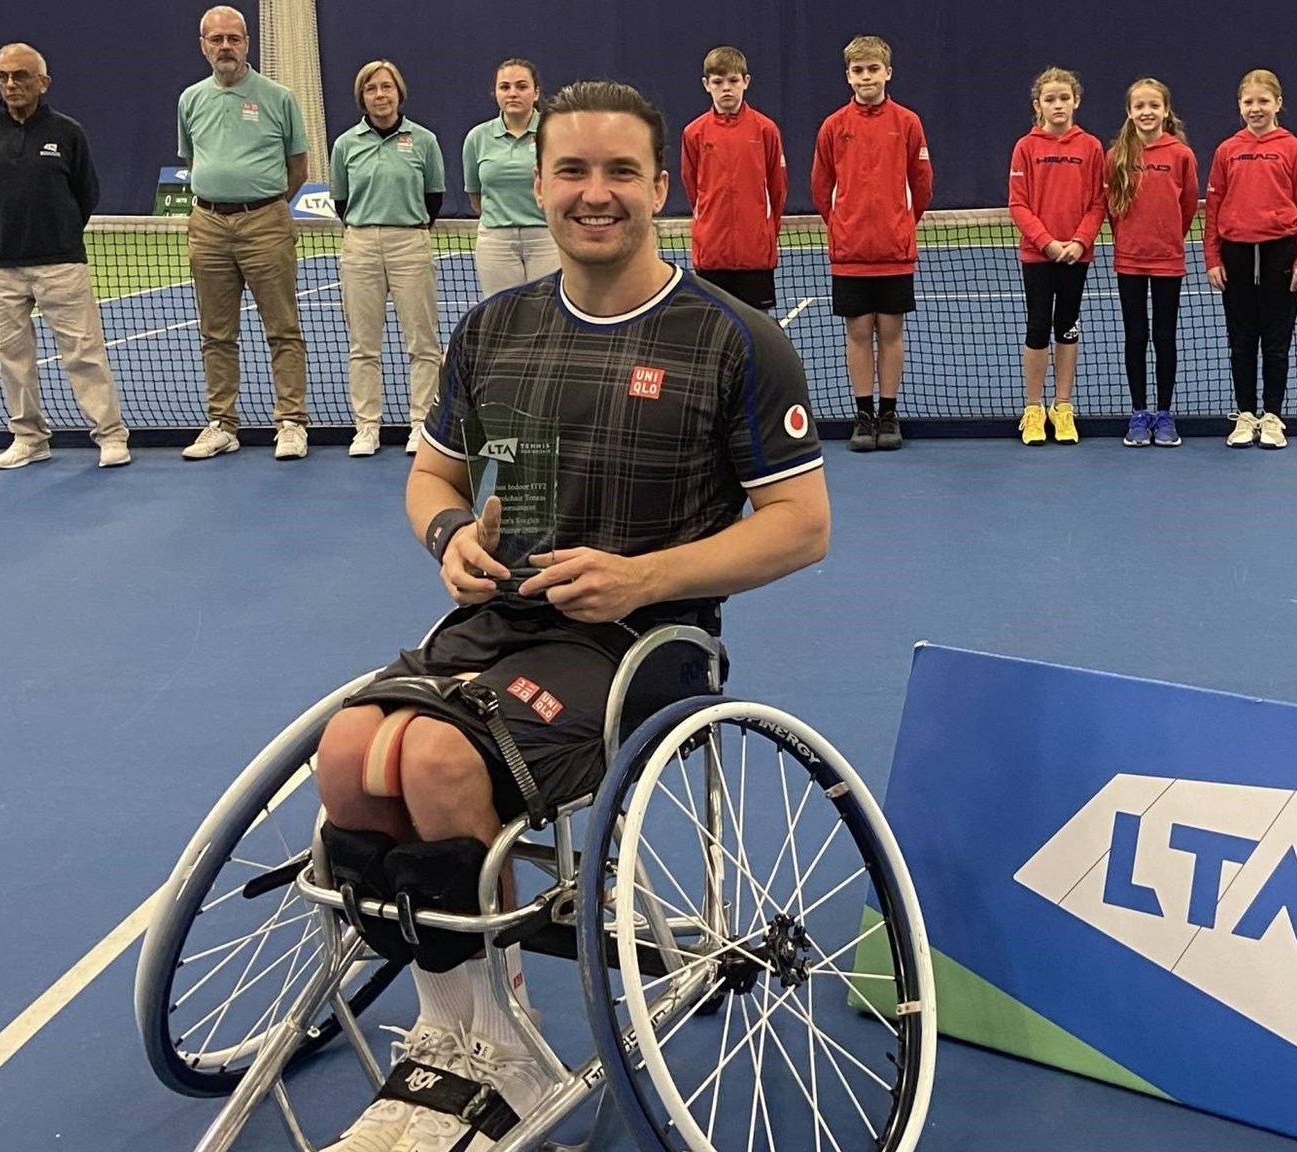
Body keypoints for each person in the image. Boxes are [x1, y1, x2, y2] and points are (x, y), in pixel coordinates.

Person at [310, 80, 829, 1152]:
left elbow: (798, 526)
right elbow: (429, 481)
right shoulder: (493, 326)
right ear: (537, 184)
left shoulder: (734, 338)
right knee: (350, 754)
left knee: (438, 768)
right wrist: (446, 534)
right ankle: (459, 1033)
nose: (596, 195)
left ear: (657, 187)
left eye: (620, 174)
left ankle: (495, 1050)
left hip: (647, 644)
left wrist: (641, 581)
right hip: (502, 623)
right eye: (574, 173)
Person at [0, 42, 130, 469]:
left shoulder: (67, 132)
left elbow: (85, 193)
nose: (11, 84)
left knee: (85, 354)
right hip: (0, 268)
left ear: (43, 82)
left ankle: (110, 435)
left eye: (21, 76)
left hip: (61, 264)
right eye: (4, 76)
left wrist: (60, 236)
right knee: (12, 360)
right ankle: (29, 437)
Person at [177, 4, 311, 461]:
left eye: (233, 38)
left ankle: (291, 423)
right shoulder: (190, 99)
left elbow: (298, 168)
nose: (225, 47)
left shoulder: (279, 97)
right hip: (208, 226)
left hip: (266, 224)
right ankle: (222, 424)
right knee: (216, 333)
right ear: (203, 46)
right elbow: (193, 161)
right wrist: (221, 195)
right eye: (216, 40)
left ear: (247, 43)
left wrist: (262, 203)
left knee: (283, 328)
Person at [812, 35, 932, 451]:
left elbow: (922, 186)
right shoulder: (833, 127)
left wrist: (898, 225)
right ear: (848, 76)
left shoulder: (908, 123)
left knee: (891, 331)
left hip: (894, 253)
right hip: (850, 254)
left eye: (873, 69)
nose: (866, 77)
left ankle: (888, 413)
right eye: (858, 71)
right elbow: (821, 186)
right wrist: (845, 226)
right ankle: (863, 417)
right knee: (859, 332)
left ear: (888, 72)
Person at [330, 59, 445, 458]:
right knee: (363, 345)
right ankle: (367, 427)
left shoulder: (425, 141)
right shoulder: (345, 144)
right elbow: (342, 200)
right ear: (362, 97)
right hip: (360, 244)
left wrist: (403, 227)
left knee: (424, 342)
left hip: (410, 243)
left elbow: (433, 197)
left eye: (387, 88)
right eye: (372, 89)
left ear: (399, 93)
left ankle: (421, 424)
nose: (380, 95)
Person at [1205, 68, 1297, 450]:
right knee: (1240, 341)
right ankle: (1245, 415)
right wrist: (1212, 258)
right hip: (1235, 254)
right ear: (1239, 106)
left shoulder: (1294, 148)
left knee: (1276, 341)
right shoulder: (1226, 150)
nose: (1256, 108)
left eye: (1263, 101)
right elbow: (1215, 206)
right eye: (1249, 102)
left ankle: (1272, 416)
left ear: (1278, 104)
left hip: (1281, 254)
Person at [1007, 66, 1105, 446]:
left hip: (1076, 257)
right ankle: (1033, 408)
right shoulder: (1025, 147)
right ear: (1038, 105)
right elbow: (1018, 203)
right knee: (1037, 328)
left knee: (1067, 326)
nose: (1058, 104)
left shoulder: (1091, 147)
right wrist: (1047, 242)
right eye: (1050, 99)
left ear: (1076, 101)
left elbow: (1098, 202)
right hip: (1038, 256)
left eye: (1065, 98)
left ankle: (1062, 407)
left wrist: (1079, 242)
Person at [1106, 77, 1197, 448]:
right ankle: (1139, 412)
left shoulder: (1181, 155)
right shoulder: (1115, 157)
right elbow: (1112, 209)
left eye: (1153, 106)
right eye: (1139, 106)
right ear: (1130, 112)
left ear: (1165, 110)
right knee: (1135, 336)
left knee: (1164, 337)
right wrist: (1129, 240)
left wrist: (1169, 237)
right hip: (1129, 260)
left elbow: (1188, 205)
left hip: (1168, 260)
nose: (1146, 112)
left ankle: (1164, 413)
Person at [680, 45, 788, 312]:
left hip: (755, 256)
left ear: (746, 82)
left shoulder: (766, 130)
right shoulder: (693, 133)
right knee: (713, 327)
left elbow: (777, 188)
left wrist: (763, 234)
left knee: (758, 329)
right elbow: (693, 187)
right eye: (718, 82)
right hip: (712, 255)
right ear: (706, 85)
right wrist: (708, 226)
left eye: (733, 80)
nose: (726, 88)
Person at [463, 58, 558, 298]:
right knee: (502, 317)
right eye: (505, 87)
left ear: (536, 93)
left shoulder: (555, 132)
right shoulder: (477, 137)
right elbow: (476, 194)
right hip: (496, 242)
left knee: (549, 313)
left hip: (548, 238)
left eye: (522, 86)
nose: (512, 93)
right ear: (495, 93)